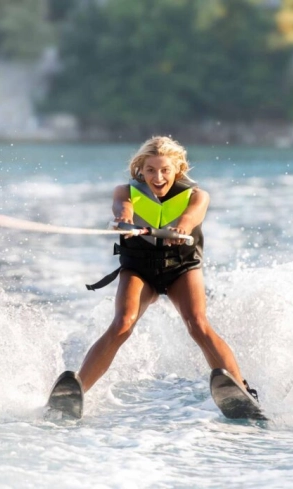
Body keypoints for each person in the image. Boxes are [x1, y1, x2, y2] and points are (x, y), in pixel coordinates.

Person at [79, 135, 258, 399]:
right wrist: (124, 220)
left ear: (178, 169)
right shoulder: (124, 192)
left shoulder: (198, 196)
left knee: (197, 324)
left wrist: (181, 228)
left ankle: (243, 391)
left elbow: (192, 215)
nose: (158, 177)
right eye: (150, 170)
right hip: (139, 270)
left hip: (181, 268)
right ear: (140, 169)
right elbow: (123, 207)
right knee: (122, 324)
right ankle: (75, 392)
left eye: (165, 170)